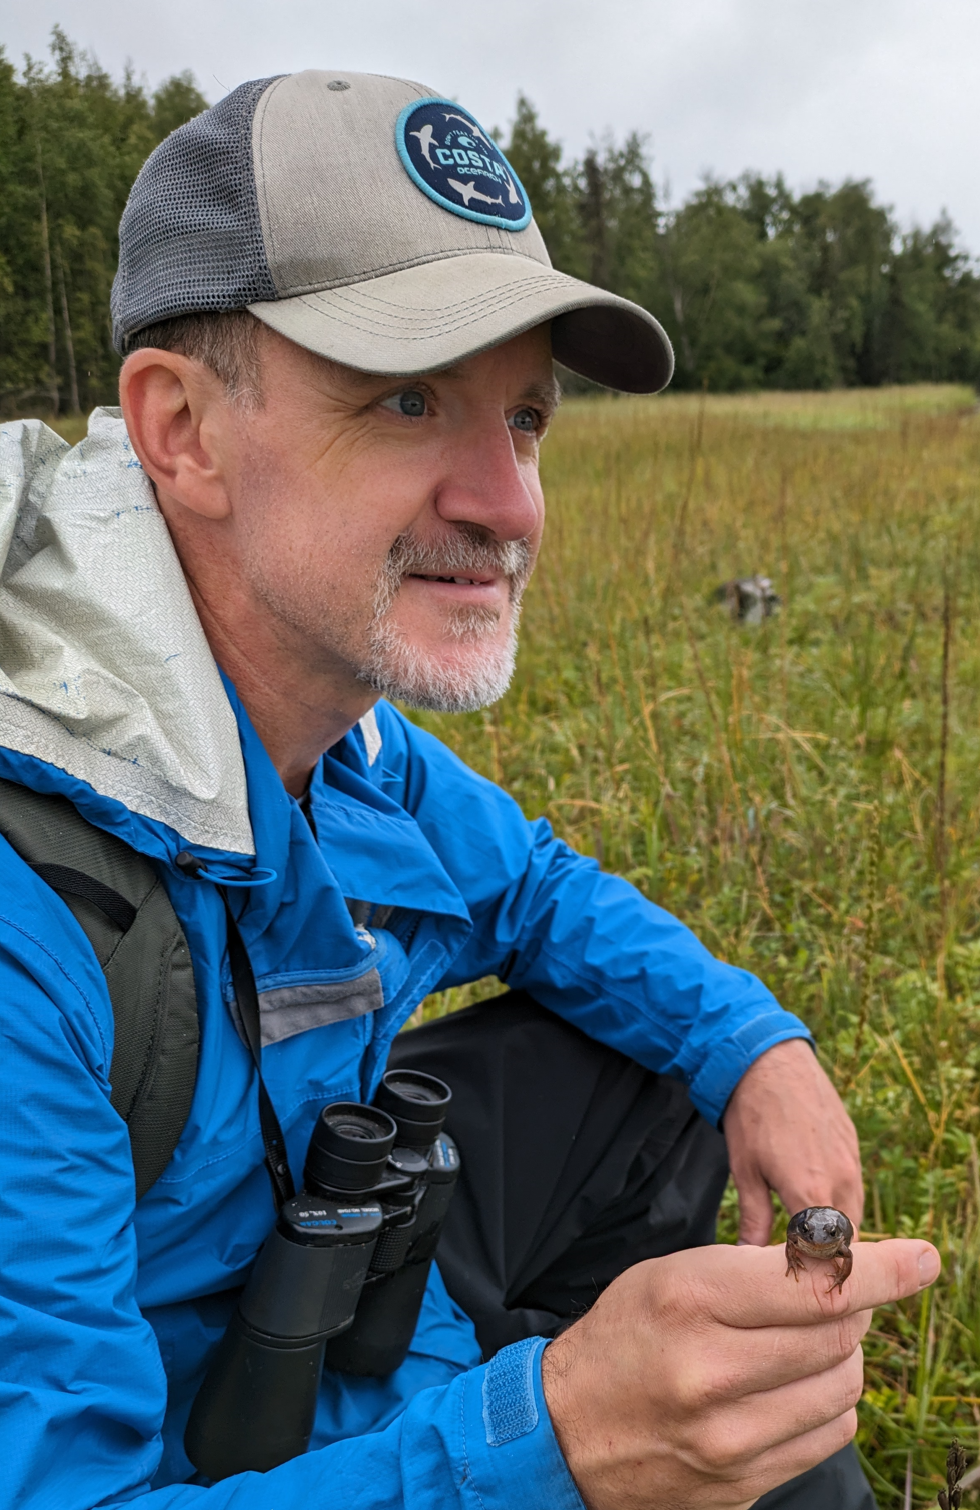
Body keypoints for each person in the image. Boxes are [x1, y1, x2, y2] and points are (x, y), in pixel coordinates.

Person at [0, 69, 936, 1510]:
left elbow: (540, 889)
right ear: (181, 430)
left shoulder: (339, 736)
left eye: (528, 418)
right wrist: (551, 1439)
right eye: (410, 399)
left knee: (656, 1074)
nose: (509, 504)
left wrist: (759, 1044)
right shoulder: (34, 906)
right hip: (199, 1436)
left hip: (337, 1327)